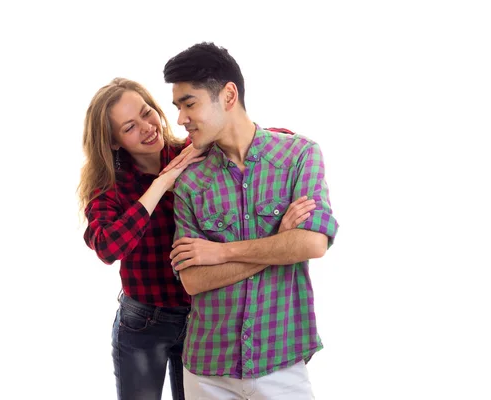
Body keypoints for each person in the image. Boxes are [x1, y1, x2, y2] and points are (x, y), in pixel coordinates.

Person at [163, 42, 339, 399]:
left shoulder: (298, 155)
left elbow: (312, 243)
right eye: (177, 106)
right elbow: (194, 281)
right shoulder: (190, 181)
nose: (180, 118)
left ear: (228, 95)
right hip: (207, 370)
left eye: (189, 103)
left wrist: (221, 253)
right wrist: (278, 244)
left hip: (281, 363)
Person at [78, 78, 206, 400]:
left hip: (201, 318)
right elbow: (108, 247)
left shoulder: (190, 154)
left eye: (147, 113)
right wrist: (161, 184)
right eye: (130, 127)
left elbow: (257, 140)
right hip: (144, 323)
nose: (148, 127)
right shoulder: (109, 188)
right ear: (115, 142)